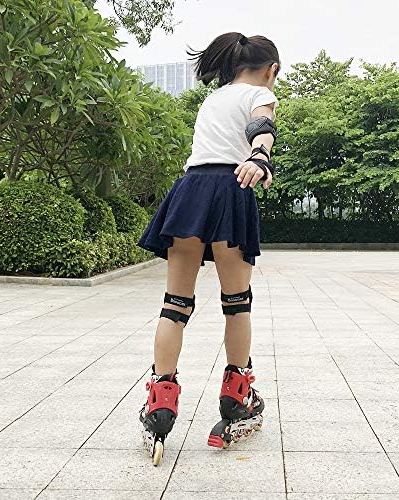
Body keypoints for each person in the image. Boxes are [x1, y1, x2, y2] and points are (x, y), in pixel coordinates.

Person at [137, 31, 280, 465]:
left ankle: (161, 404)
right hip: (231, 187)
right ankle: (237, 399)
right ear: (271, 70)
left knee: (175, 304)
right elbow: (262, 127)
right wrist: (259, 157)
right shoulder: (260, 93)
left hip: (191, 189)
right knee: (237, 303)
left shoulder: (213, 99)